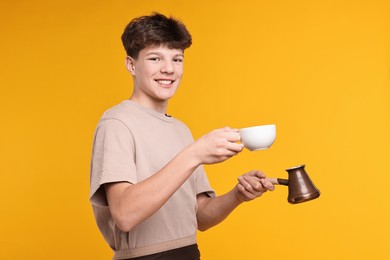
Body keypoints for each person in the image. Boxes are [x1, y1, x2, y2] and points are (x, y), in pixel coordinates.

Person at [90, 12, 275, 260]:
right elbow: (124, 215)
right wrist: (194, 154)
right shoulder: (117, 123)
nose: (168, 69)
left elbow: (200, 217)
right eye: (155, 58)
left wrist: (237, 196)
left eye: (177, 59)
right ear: (131, 65)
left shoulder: (180, 130)